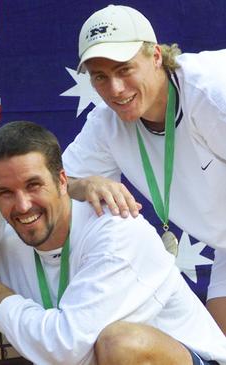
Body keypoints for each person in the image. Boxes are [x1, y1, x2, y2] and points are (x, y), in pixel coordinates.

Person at [0, 121, 226, 365]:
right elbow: (1, 329)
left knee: (122, 343)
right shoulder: (2, 238)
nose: (22, 206)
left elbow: (68, 346)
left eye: (34, 185)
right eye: (6, 192)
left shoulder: (117, 231)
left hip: (189, 358)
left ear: (63, 181)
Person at [62, 4, 226, 332]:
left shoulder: (212, 93)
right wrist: (87, 185)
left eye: (124, 70)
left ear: (155, 56)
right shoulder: (106, 125)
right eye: (100, 77)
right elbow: (59, 182)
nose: (115, 90)